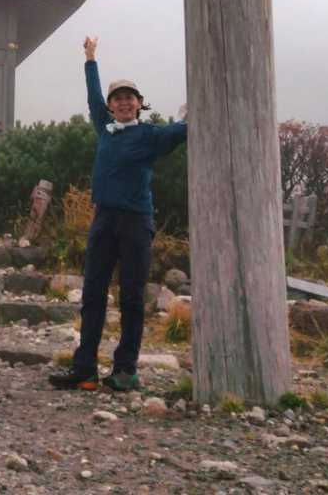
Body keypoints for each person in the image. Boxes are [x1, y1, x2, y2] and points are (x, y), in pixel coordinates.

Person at [48, 35, 187, 392]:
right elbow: (93, 96)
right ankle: (85, 369)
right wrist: (90, 58)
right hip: (103, 220)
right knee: (93, 293)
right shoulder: (104, 129)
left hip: (136, 222)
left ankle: (126, 371)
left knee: (131, 297)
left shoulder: (150, 135)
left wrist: (189, 113)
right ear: (110, 107)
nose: (123, 102)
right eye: (118, 98)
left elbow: (182, 130)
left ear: (139, 105)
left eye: (130, 98)